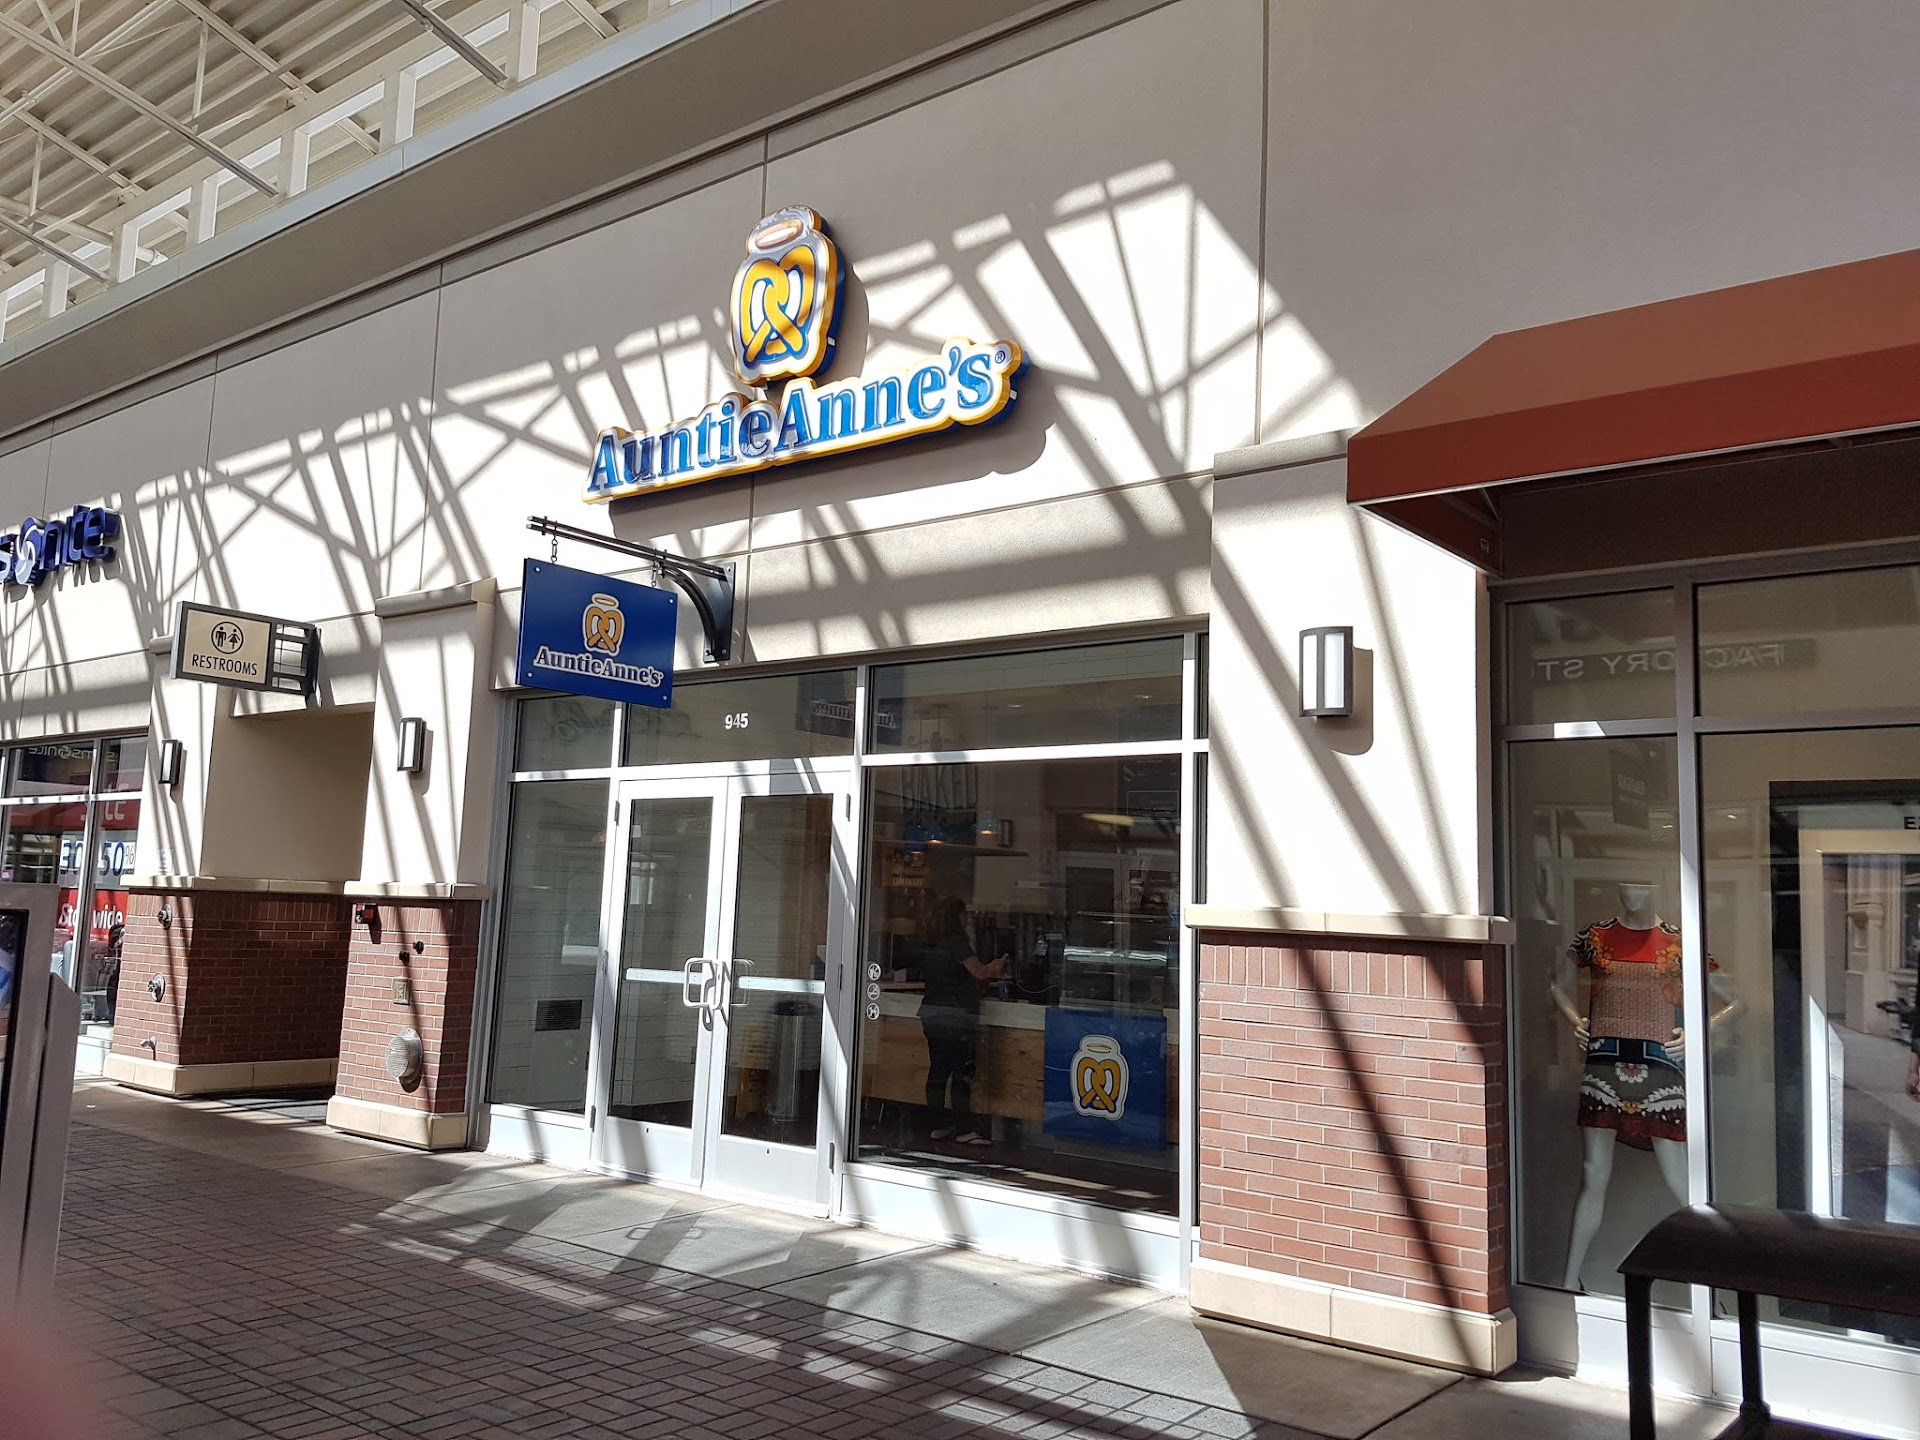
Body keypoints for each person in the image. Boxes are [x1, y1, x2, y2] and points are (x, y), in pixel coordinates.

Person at [919, 896, 1007, 1145]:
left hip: (931, 1013)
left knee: (938, 1071)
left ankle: (937, 1125)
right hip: (956, 1015)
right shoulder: (958, 943)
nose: (967, 917)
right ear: (957, 917)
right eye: (964, 913)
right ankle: (965, 1130)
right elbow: (979, 972)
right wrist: (996, 966)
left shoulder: (931, 942)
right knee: (962, 1072)